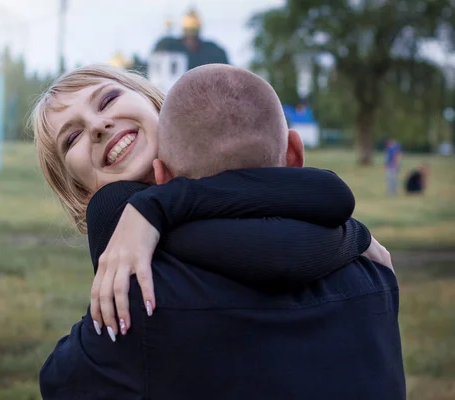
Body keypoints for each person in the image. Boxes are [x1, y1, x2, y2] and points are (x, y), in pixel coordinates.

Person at [33, 65, 402, 399]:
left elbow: (60, 382)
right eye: (72, 138)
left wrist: (154, 206)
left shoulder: (141, 301)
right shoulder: (369, 273)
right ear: (78, 190)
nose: (97, 126)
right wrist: (351, 234)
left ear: (158, 104)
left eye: (108, 99)